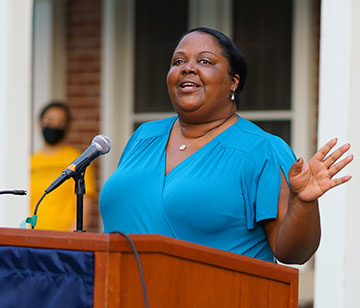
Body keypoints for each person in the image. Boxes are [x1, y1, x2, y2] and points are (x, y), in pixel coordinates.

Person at [99, 27, 353, 264]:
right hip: (121, 301)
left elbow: (292, 253)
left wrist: (303, 203)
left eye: (205, 61)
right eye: (178, 61)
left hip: (216, 305)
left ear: (233, 82)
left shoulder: (262, 150)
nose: (188, 68)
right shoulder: (144, 137)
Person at [30, 101, 96, 231]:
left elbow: (85, 203)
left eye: (60, 123)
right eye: (49, 121)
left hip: (63, 236)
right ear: (40, 123)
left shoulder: (79, 160)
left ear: (67, 127)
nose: (54, 126)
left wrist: (71, 237)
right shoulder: (30, 162)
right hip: (32, 233)